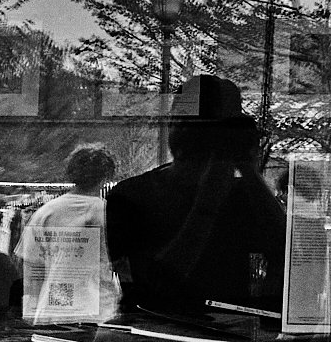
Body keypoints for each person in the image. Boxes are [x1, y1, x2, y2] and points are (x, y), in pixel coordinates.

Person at [107, 74, 284, 319]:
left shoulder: (243, 195)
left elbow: (288, 257)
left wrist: (248, 167)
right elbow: (152, 288)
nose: (184, 129)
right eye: (183, 121)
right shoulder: (130, 197)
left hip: (227, 336)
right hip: (158, 333)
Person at [18, 143, 119, 324]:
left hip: (51, 313)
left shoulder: (45, 213)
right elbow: (121, 264)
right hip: (98, 312)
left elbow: (32, 267)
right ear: (106, 177)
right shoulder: (106, 213)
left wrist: (30, 311)